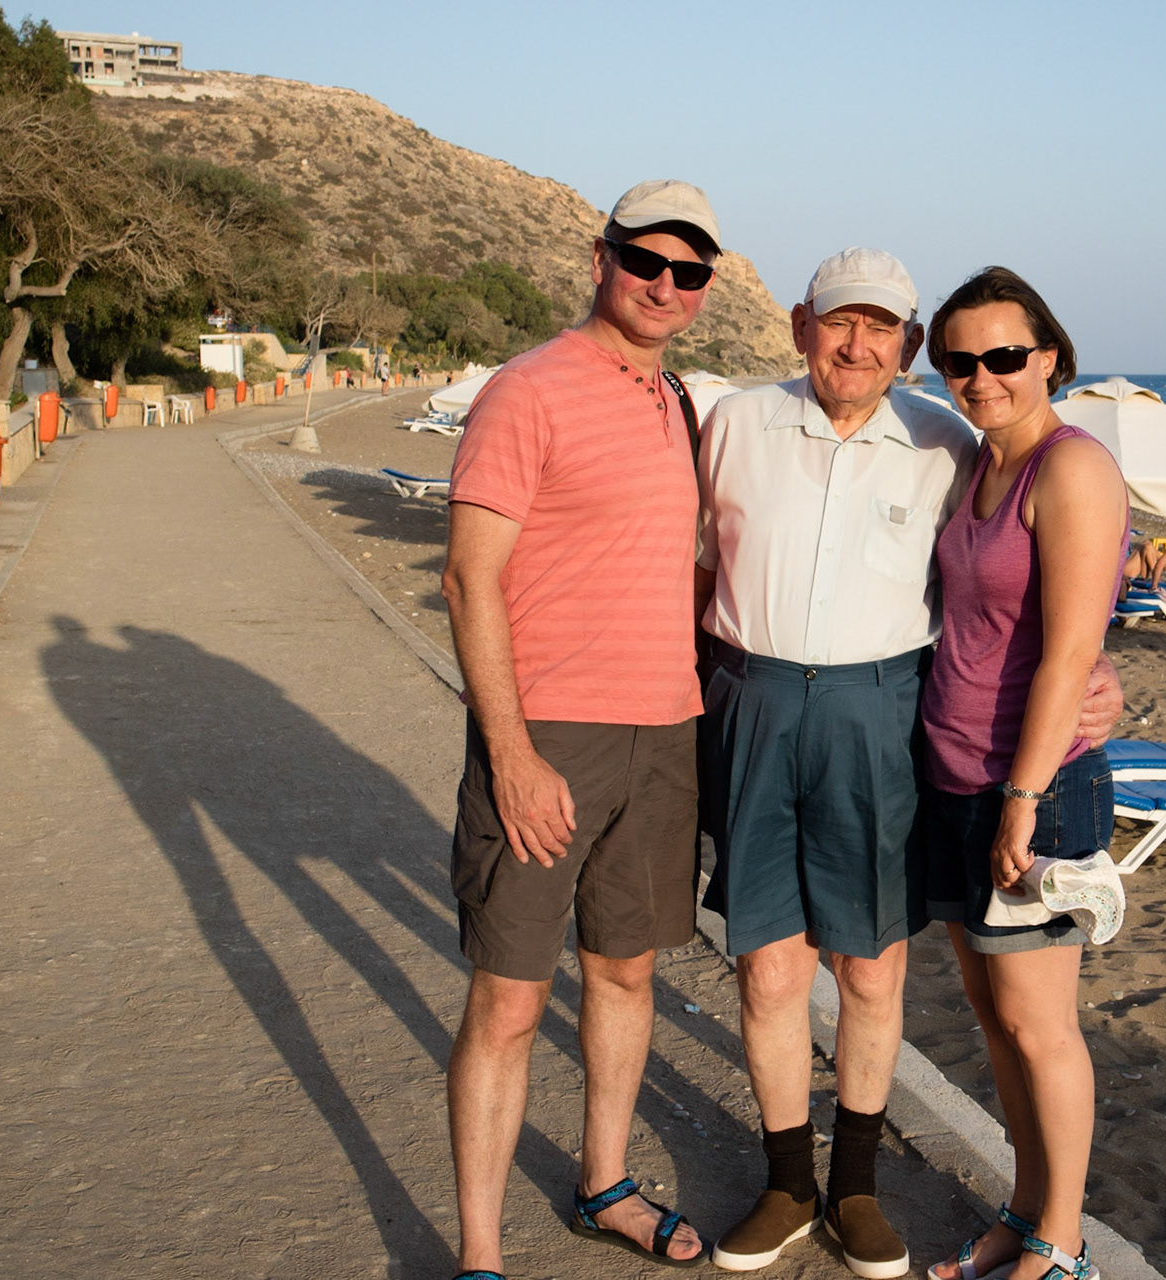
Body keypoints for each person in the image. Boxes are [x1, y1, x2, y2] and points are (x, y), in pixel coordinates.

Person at [694, 249, 1123, 1278]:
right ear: (802, 325)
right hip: (791, 711)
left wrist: (1096, 688)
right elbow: (679, 555)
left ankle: (875, 1193)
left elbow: (1067, 629)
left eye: (883, 327)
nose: (858, 344)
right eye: (840, 322)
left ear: (906, 344)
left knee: (894, 973)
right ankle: (795, 1183)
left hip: (914, 733)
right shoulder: (740, 423)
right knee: (773, 962)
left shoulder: (954, 443)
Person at [440, 179, 724, 1280]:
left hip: (667, 725)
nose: (664, 285)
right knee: (510, 996)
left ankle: (603, 1180)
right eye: (645, 261)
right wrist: (511, 753)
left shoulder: (680, 400)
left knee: (624, 974)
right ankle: (479, 1254)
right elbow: (471, 578)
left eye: (688, 272)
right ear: (599, 258)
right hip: (552, 728)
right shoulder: (528, 389)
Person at [920, 268, 1125, 1280]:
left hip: (1032, 789)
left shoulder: (1069, 467)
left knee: (1043, 1025)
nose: (981, 376)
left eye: (1004, 355)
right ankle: (1025, 1203)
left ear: (1047, 354)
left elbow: (1072, 646)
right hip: (954, 777)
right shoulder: (972, 462)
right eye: (959, 359)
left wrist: (1024, 795)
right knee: (995, 1018)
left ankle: (1066, 1237)